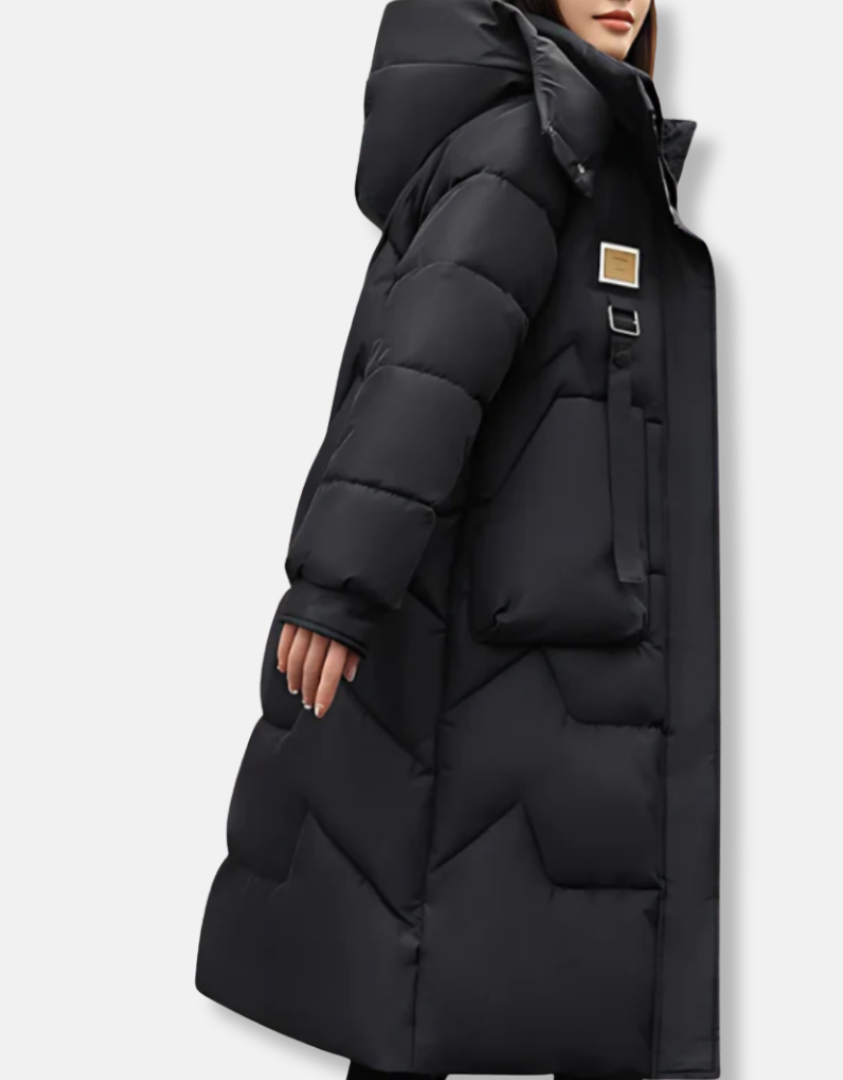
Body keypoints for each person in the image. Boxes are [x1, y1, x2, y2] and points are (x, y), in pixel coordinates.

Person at [194, 2, 720, 1079]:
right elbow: (427, 366)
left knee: (483, 978)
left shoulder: (580, 141)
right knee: (451, 977)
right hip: (519, 655)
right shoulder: (531, 144)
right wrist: (337, 587)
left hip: (548, 648)